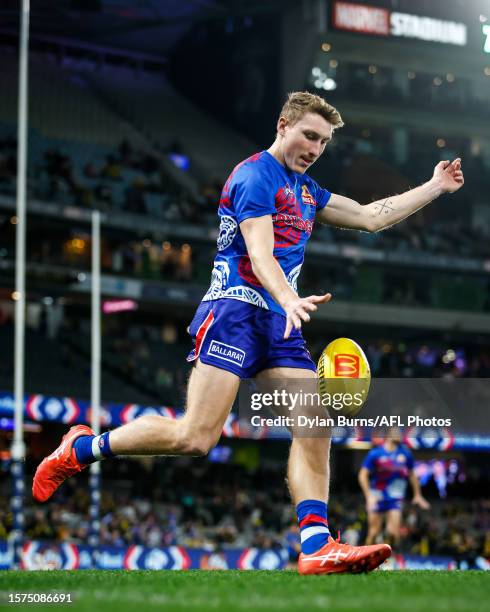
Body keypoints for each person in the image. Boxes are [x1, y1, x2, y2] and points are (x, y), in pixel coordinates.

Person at [33, 91, 464, 575]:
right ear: (283, 125)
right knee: (195, 438)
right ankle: (82, 448)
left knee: (314, 421)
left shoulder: (307, 190)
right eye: (309, 135)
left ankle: (316, 545)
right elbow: (259, 255)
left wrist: (433, 187)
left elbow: (369, 216)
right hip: (235, 310)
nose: (315, 148)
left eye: (323, 142)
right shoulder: (254, 176)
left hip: (278, 321)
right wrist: (289, 300)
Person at [358, 427, 431, 548]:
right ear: (388, 435)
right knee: (374, 532)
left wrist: (418, 495)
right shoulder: (375, 453)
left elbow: (412, 475)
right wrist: (369, 496)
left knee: (394, 534)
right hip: (377, 495)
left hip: (396, 496)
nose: (400, 435)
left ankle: (387, 561)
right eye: (396, 432)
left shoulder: (405, 453)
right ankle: (366, 561)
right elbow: (362, 475)